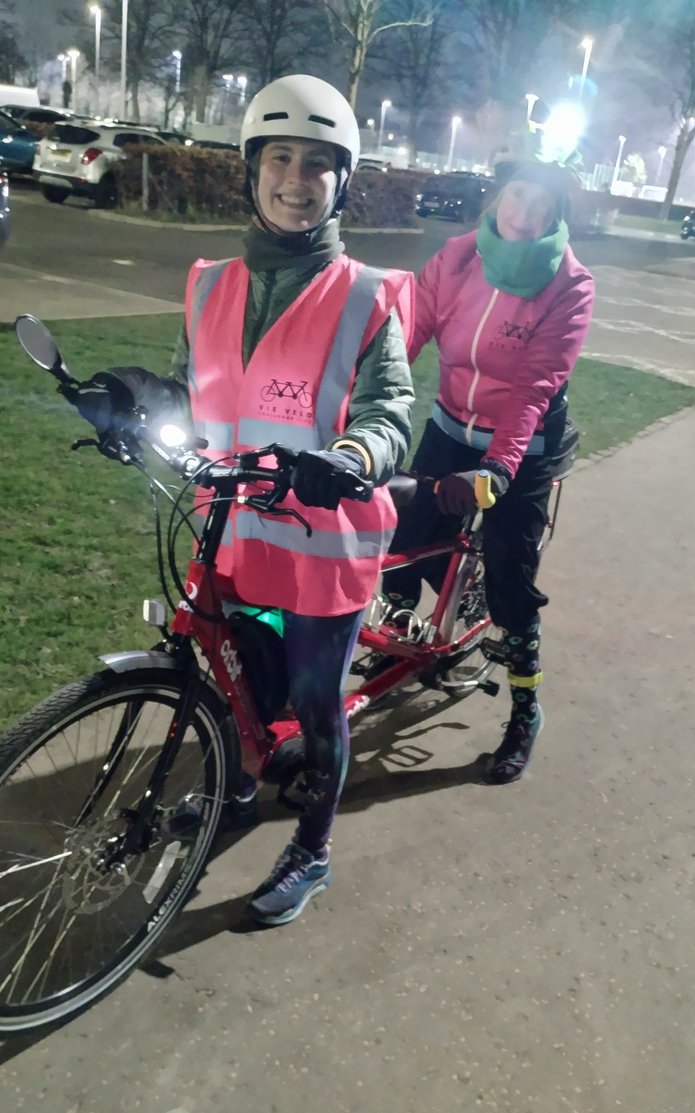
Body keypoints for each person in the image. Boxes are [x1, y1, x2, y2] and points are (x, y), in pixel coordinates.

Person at [75, 75, 415, 926]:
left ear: (343, 180)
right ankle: (234, 787)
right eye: (279, 158)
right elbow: (200, 391)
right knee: (229, 686)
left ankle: (314, 850)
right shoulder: (208, 284)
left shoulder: (368, 296)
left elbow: (389, 411)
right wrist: (133, 397)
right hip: (229, 528)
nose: (296, 180)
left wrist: (353, 454)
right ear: (251, 169)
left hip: (320, 548)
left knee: (312, 703)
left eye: (317, 165)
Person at [384, 152, 595, 784]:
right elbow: (406, 333)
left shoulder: (571, 284)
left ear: (556, 214)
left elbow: (535, 387)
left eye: (541, 204)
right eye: (515, 196)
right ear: (497, 198)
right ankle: (402, 638)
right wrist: (358, 408)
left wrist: (499, 470)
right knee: (402, 538)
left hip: (523, 451)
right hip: (451, 425)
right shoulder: (458, 257)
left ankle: (525, 712)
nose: (523, 213)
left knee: (509, 582)